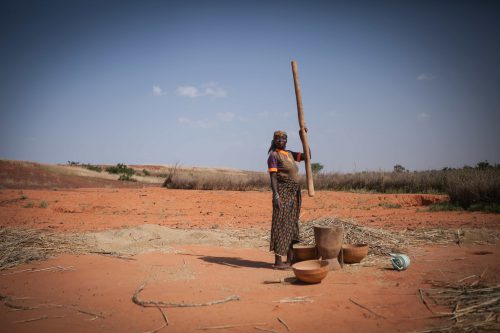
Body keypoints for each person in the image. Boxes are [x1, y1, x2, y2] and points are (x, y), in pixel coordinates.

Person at [267, 130, 306, 269]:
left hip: (294, 193)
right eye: (278, 139)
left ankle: (290, 260)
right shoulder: (273, 156)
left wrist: (303, 138)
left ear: (287, 140)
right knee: (279, 224)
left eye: (283, 138)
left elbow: (308, 156)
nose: (281, 140)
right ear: (274, 140)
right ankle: (278, 261)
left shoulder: (289, 153)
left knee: (291, 224)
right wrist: (276, 195)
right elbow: (273, 178)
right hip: (282, 193)